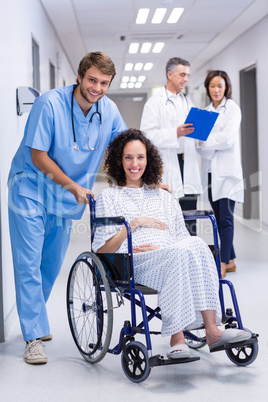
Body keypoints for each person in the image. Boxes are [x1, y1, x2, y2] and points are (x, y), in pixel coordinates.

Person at [8, 51, 127, 364]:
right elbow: (38, 156)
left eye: (104, 83)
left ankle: (35, 321)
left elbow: (124, 147)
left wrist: (148, 182)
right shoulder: (50, 104)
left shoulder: (109, 111)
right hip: (31, 189)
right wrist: (73, 185)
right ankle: (33, 337)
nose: (96, 88)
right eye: (91, 80)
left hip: (63, 199)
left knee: (50, 265)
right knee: (29, 263)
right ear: (79, 76)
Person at [92, 129, 250, 359]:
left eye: (140, 157)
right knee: (179, 253)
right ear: (119, 160)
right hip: (134, 261)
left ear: (149, 160)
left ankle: (212, 331)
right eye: (128, 157)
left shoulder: (163, 196)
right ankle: (177, 336)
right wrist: (134, 224)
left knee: (195, 242)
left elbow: (181, 238)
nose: (134, 163)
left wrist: (165, 249)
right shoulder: (109, 197)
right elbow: (102, 251)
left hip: (170, 254)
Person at [140, 57, 202, 236]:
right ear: (170, 74)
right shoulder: (155, 102)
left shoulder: (187, 102)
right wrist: (175, 133)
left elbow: (193, 134)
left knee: (191, 221)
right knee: (169, 221)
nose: (186, 79)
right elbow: (146, 136)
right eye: (182, 74)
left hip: (188, 167)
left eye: (187, 75)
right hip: (168, 167)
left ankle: (191, 259)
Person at [197, 70, 243, 279]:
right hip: (209, 172)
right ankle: (231, 259)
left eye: (220, 86)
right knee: (218, 217)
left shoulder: (232, 109)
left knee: (225, 219)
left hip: (227, 173)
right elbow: (199, 146)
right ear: (208, 88)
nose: (216, 90)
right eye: (213, 85)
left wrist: (210, 140)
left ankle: (223, 263)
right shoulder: (203, 113)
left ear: (226, 88)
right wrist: (212, 141)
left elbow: (228, 140)